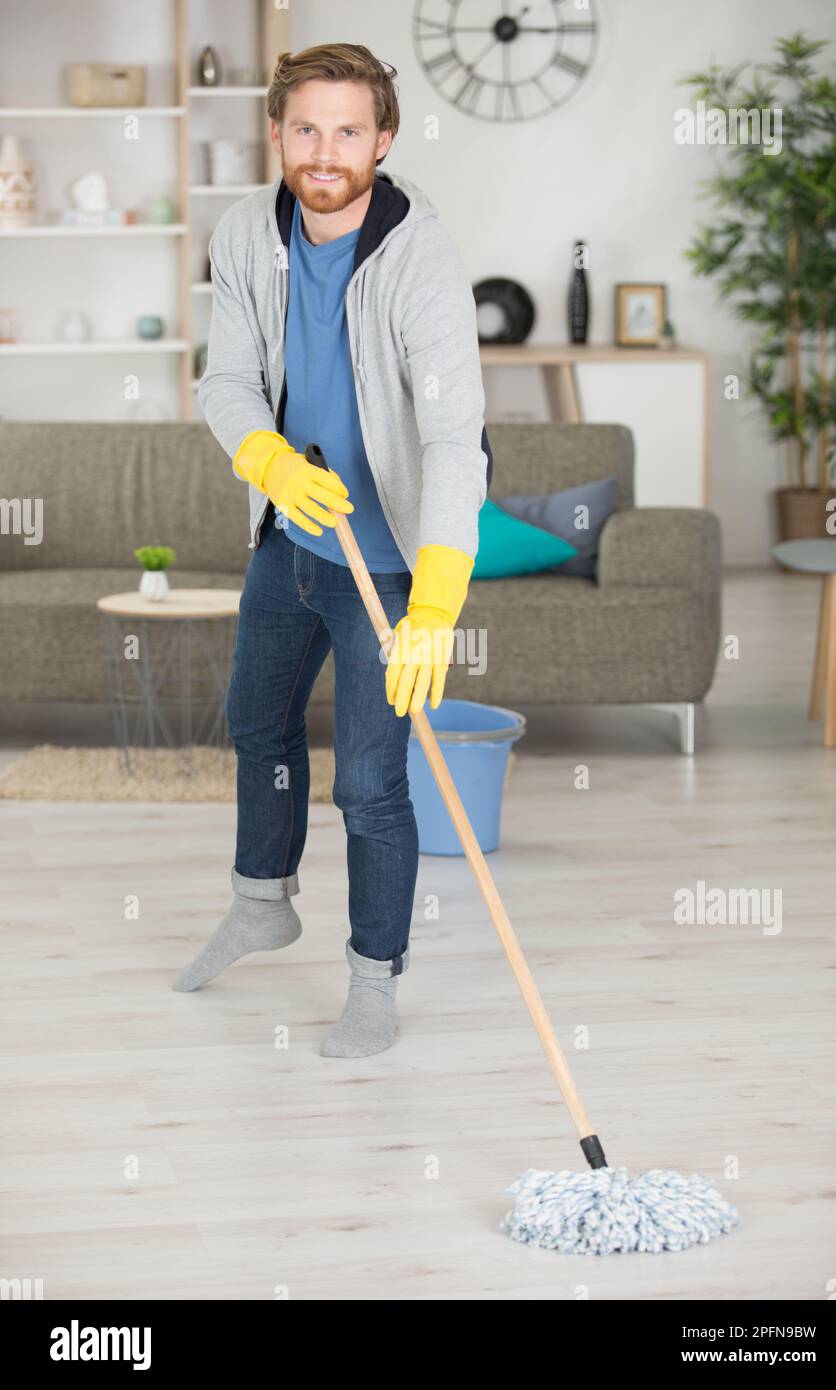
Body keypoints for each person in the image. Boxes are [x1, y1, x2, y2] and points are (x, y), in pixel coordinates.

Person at [173, 43, 493, 1057]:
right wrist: (264, 458)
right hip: (288, 539)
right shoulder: (241, 233)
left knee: (368, 779)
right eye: (304, 128)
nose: (324, 150)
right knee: (256, 724)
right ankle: (262, 900)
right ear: (275, 133)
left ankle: (372, 977)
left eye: (347, 130)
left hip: (388, 561)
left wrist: (437, 598)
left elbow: (452, 439)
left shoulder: (421, 259)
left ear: (382, 140)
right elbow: (222, 381)